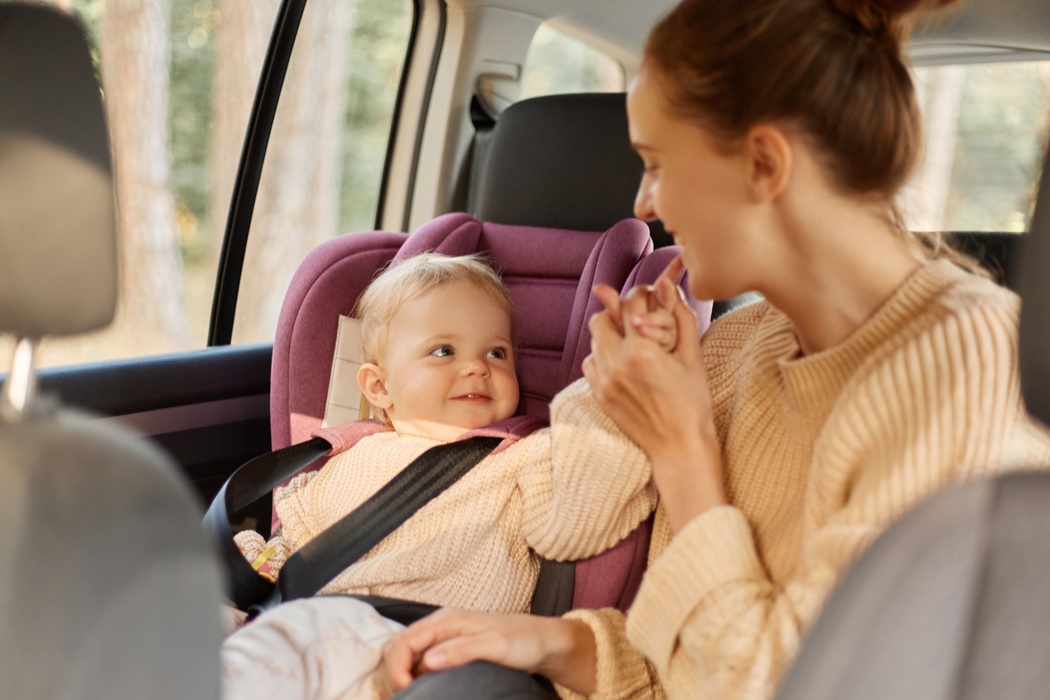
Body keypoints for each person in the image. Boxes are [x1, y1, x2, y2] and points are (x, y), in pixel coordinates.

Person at [379, 1, 1050, 699]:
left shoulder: (961, 367)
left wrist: (682, 448)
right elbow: (686, 667)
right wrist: (546, 640)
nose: (643, 203)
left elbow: (786, 686)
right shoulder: (734, 349)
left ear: (762, 163)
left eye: (656, 163)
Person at [221, 252, 675, 700]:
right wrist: (261, 564)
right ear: (379, 387)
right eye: (444, 351)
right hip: (320, 628)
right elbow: (299, 541)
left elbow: (578, 520)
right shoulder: (350, 452)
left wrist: (606, 402)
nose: (478, 366)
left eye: (497, 352)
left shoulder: (524, 457)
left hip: (430, 648)